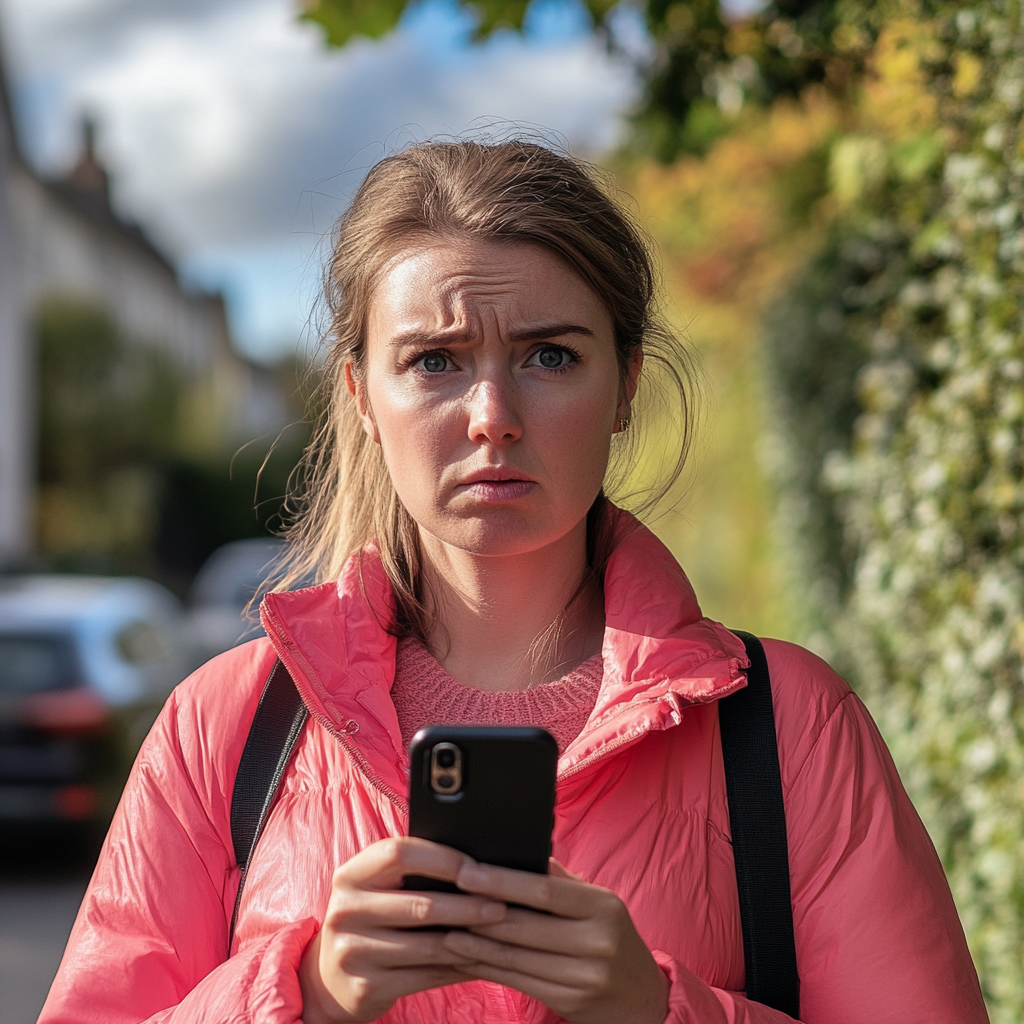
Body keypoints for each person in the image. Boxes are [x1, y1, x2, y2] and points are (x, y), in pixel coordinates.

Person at [40, 140, 989, 1024]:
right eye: (435, 361)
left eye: (549, 355)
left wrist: (657, 1010)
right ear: (363, 395)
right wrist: (300, 994)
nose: (492, 415)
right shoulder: (224, 729)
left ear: (624, 387)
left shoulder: (791, 727)